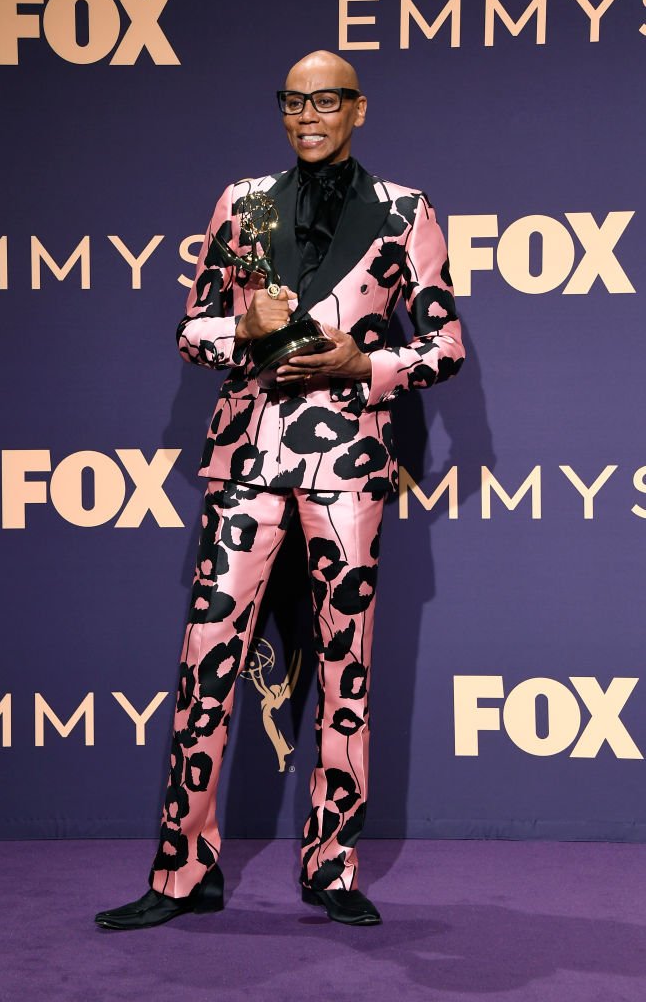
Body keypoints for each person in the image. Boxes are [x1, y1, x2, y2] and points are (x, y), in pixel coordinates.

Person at [95, 49, 465, 931]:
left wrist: (364, 361)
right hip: (246, 463)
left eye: (327, 100)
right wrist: (240, 326)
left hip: (347, 470)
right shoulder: (241, 202)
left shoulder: (404, 212)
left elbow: (445, 345)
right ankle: (183, 870)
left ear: (357, 110)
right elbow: (192, 331)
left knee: (347, 665)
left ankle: (332, 868)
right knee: (204, 664)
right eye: (294, 101)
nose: (309, 115)